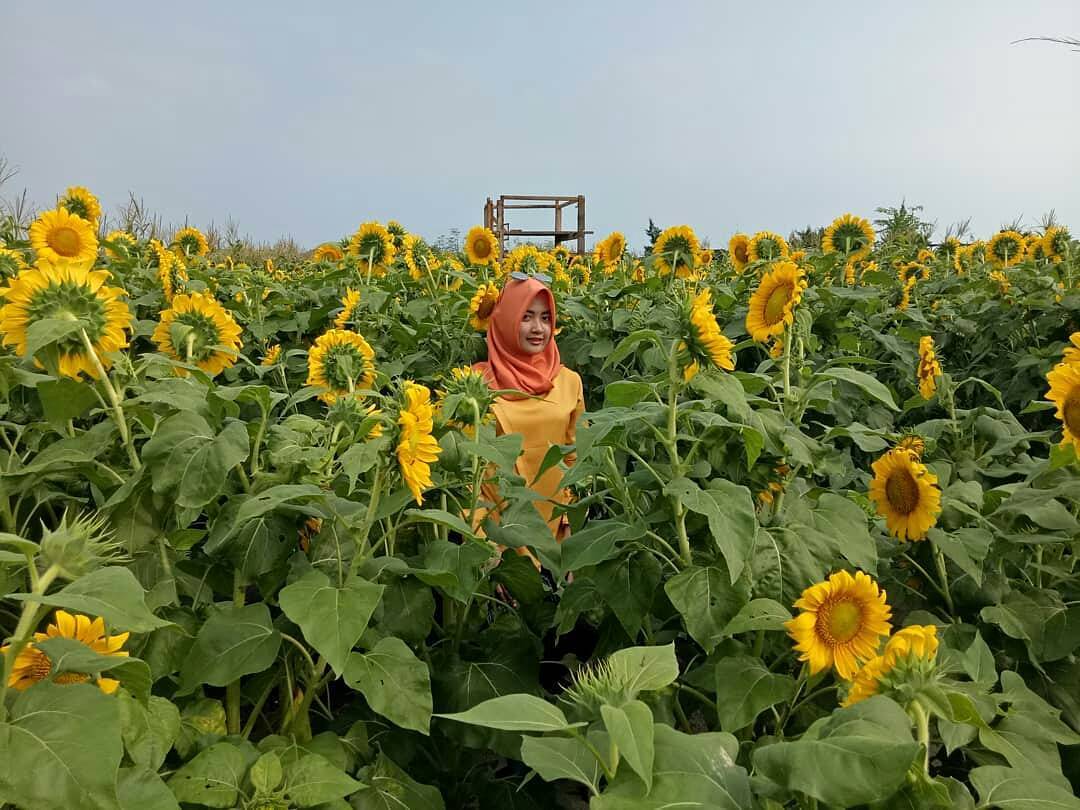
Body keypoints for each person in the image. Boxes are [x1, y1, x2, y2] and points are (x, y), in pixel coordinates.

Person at [473, 274, 585, 558]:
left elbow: (575, 459)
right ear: (507, 319)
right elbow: (465, 471)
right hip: (497, 537)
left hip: (555, 535)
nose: (538, 328)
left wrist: (571, 528)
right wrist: (481, 545)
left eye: (546, 318)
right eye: (526, 317)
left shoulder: (568, 381)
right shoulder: (476, 384)